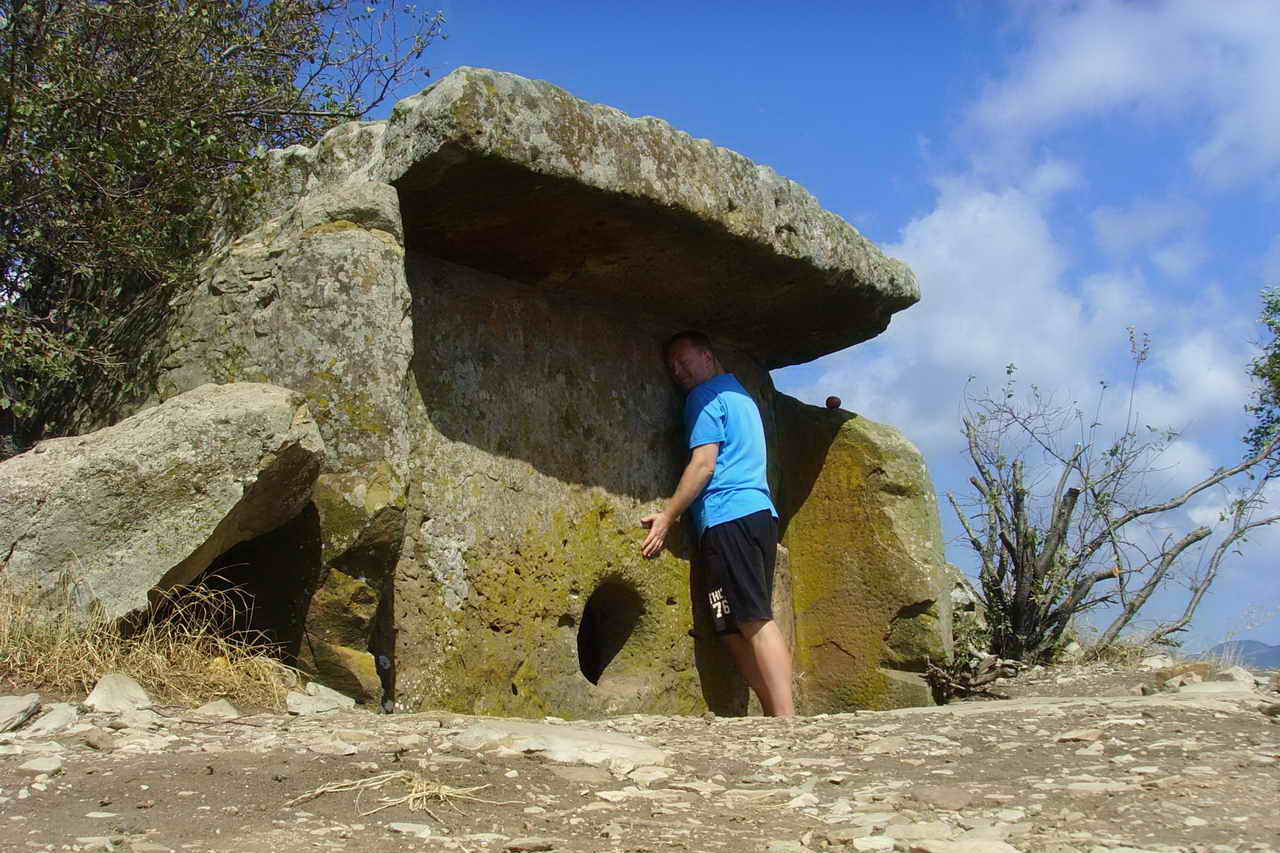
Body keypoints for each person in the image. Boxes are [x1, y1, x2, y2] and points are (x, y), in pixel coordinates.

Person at [640, 331, 794, 717]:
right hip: (749, 517)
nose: (678, 371)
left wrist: (668, 517)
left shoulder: (705, 397)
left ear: (708, 356)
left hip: (732, 515)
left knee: (754, 617)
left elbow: (704, 463)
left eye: (684, 360)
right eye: (671, 366)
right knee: (728, 625)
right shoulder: (741, 396)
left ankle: (789, 722)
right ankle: (773, 712)